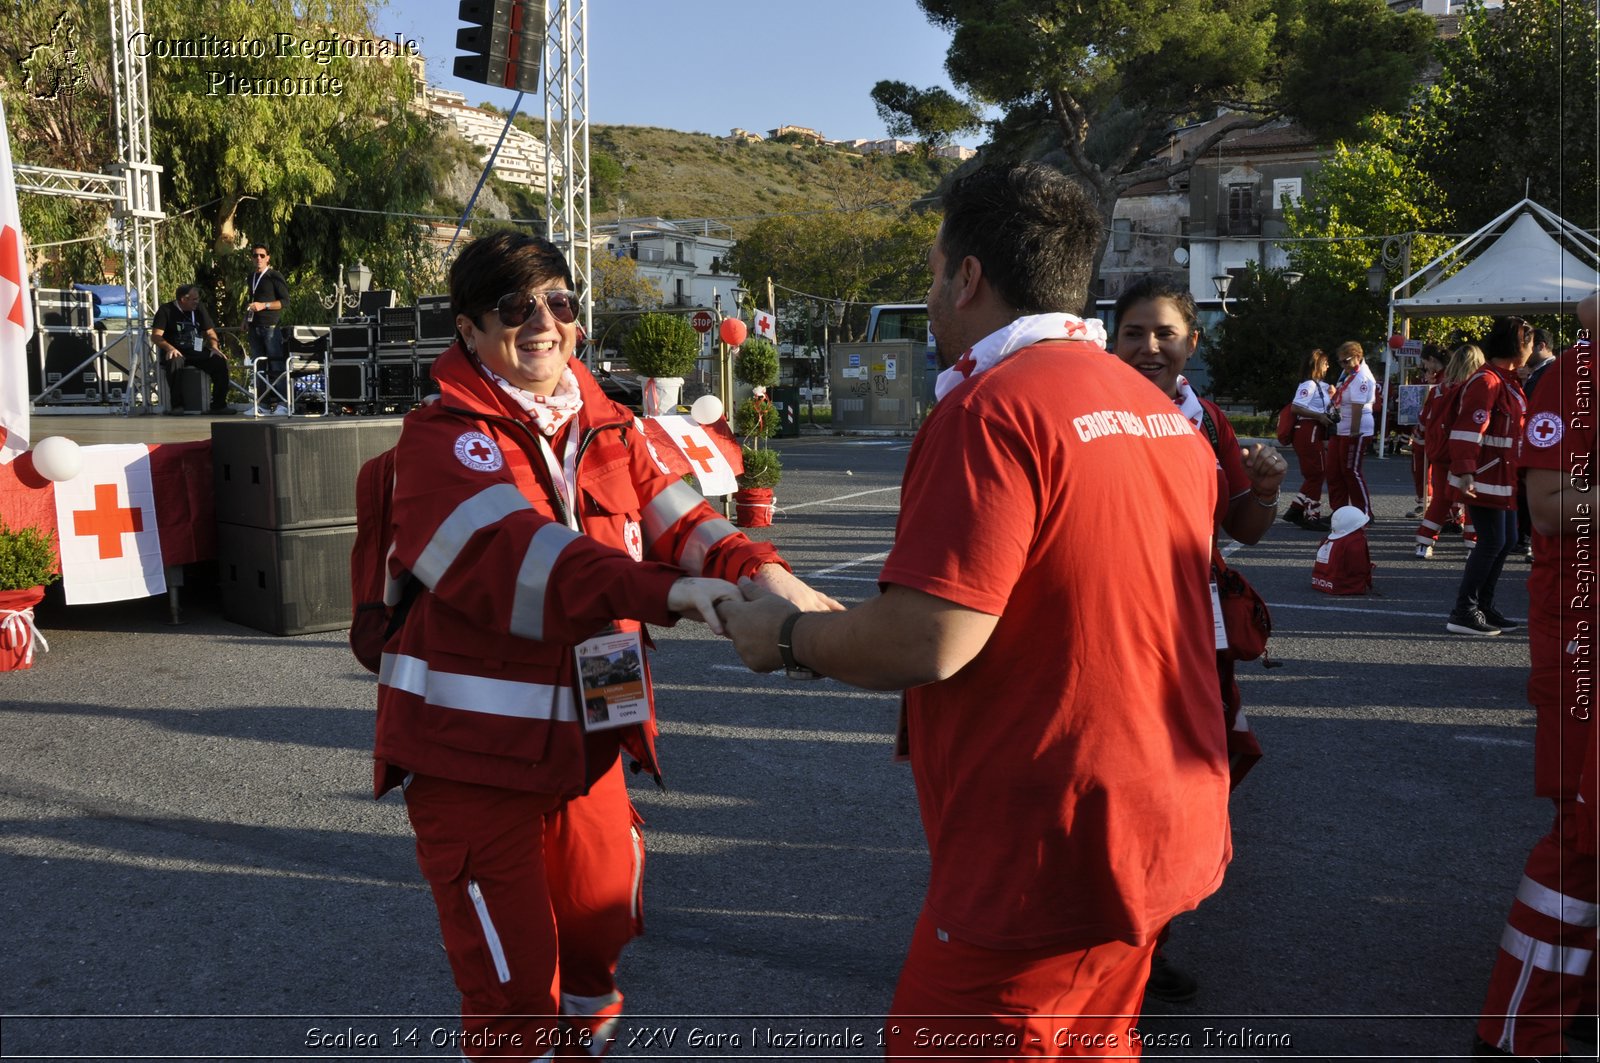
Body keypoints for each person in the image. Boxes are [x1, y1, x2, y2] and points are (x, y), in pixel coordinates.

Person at [718, 165, 1232, 1059]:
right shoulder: (1156, 411)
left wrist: (789, 634)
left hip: (1043, 852)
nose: (930, 297)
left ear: (967, 276)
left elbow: (932, 636)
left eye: (930, 272)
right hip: (1155, 822)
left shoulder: (992, 408)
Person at [373, 229, 837, 1057]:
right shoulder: (437, 440)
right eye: (514, 307)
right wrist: (671, 593)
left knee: (601, 932)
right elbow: (524, 557)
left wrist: (765, 572)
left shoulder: (610, 424)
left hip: (593, 739)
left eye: (558, 301)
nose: (543, 322)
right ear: (469, 330)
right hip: (472, 758)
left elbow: (680, 517)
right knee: (514, 989)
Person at [1111, 274, 1285, 1001]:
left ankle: (1150, 947)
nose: (1149, 347)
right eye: (1133, 333)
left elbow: (1241, 525)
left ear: (1192, 341)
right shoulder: (1090, 406)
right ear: (1109, 339)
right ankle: (1109, 956)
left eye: (1164, 333)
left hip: (1198, 636)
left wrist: (1268, 488)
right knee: (1119, 795)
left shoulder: (1207, 418)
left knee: (1186, 789)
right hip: (1119, 631)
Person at [1474, 291, 1598, 1059]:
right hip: (1583, 635)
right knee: (1586, 833)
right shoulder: (1581, 373)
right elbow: (1548, 505)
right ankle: (1520, 1025)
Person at [1445, 316, 1532, 636]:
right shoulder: (1487, 381)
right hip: (1484, 475)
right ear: (1517, 345)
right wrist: (1466, 471)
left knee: (1506, 540)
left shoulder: (1505, 379)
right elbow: (1469, 427)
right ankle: (1464, 610)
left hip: (1502, 474)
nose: (1533, 349)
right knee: (1493, 540)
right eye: (1530, 342)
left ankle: (1483, 606)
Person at [1415, 343, 1484, 558]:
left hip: (1440, 452)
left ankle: (1424, 542)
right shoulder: (1472, 389)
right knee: (1472, 497)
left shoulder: (1438, 390)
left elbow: (1423, 422)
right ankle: (1472, 544)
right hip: (1465, 452)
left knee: (1440, 499)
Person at [150, 283, 232, 414]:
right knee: (175, 363)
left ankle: (219, 405)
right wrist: (169, 348)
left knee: (219, 362)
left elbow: (210, 332)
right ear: (183, 299)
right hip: (176, 351)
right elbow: (155, 336)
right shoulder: (166, 310)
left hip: (196, 351)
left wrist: (214, 347)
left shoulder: (199, 308)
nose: (197, 302)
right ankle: (177, 406)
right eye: (194, 299)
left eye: (197, 299)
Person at [1283, 347, 1334, 530]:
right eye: (1326, 363)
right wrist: (1319, 416)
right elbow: (1296, 407)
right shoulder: (1308, 385)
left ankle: (1296, 509)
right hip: (1308, 429)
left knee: (1316, 472)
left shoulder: (1321, 385)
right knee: (1317, 473)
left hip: (1315, 430)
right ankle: (1312, 515)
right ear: (1319, 364)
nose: (1328, 367)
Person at [1328, 340, 1376, 517]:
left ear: (1357, 357)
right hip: (1342, 427)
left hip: (1355, 428)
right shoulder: (1348, 372)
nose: (1343, 365)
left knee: (1350, 471)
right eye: (1340, 361)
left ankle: (1364, 512)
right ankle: (1339, 512)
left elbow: (1358, 406)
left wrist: (1354, 433)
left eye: (1345, 361)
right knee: (1334, 471)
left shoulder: (1362, 376)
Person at [243, 244, 289, 396]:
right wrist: (245, 319)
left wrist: (264, 305)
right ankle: (262, 403)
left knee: (276, 364)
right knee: (258, 365)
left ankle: (282, 401)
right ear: (251, 258)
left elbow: (285, 302)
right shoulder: (251, 277)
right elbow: (251, 300)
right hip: (254, 326)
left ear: (268, 258)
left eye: (262, 255)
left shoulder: (274, 276)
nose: (258, 258)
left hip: (270, 326)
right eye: (255, 255)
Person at [1406, 346, 1447, 519]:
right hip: (1429, 429)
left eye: (1424, 362)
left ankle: (1433, 505)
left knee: (1431, 468)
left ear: (1430, 359)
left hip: (1435, 430)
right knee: (1422, 467)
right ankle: (1427, 502)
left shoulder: (1445, 377)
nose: (1424, 367)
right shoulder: (1437, 377)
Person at [1311, 505, 1374, 595]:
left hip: (1319, 581)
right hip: (1341, 586)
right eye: (1363, 525)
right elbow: (1357, 569)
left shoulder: (1328, 540)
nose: (1365, 527)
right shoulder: (1355, 542)